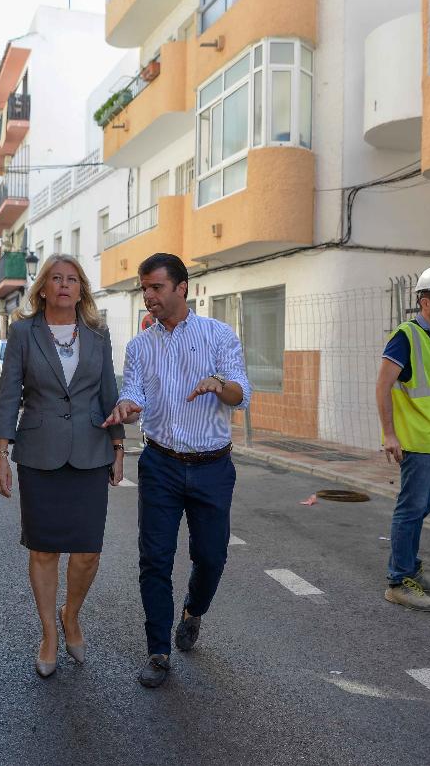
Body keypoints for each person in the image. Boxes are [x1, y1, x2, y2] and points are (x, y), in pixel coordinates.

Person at [105, 253, 252, 689]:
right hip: (161, 464)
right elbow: (132, 394)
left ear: (181, 288)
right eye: (144, 288)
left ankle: (193, 611)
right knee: (155, 558)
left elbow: (240, 392)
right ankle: (157, 651)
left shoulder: (218, 335)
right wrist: (127, 407)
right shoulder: (139, 346)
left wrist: (218, 386)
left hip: (212, 467)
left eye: (156, 287)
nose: (148, 296)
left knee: (212, 556)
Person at [0, 254, 125, 678]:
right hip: (39, 452)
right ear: (44, 288)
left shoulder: (97, 335)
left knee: (87, 551)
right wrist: (1, 453)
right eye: (56, 278)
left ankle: (72, 613)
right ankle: (49, 632)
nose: (64, 285)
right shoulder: (23, 333)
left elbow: (109, 392)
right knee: (45, 548)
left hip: (90, 450)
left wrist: (119, 447)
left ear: (81, 289)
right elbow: (9, 394)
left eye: (72, 279)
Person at [376, 265, 430, 612]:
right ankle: (399, 581)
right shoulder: (406, 336)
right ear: (424, 301)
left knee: (420, 509)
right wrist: (390, 434)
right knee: (410, 511)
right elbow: (382, 386)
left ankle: (411, 568)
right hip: (418, 443)